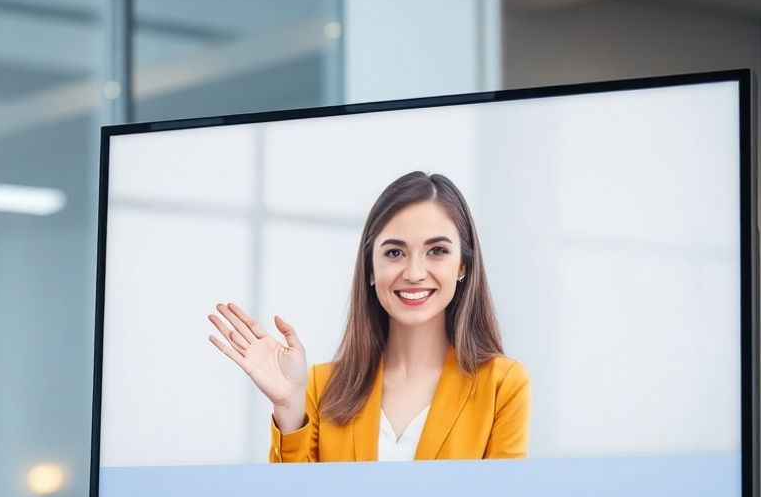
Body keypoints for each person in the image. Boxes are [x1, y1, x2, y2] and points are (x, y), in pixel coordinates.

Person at [208, 171, 529, 462]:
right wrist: (289, 407)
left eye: (437, 251)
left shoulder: (502, 384)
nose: (415, 273)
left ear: (463, 266)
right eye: (394, 252)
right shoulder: (320, 387)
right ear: (371, 269)